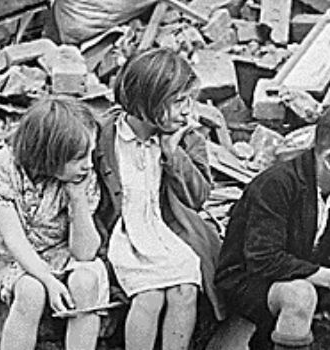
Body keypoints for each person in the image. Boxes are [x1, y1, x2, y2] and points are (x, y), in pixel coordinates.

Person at [215, 100, 330, 350]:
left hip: (306, 271)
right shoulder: (277, 185)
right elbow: (263, 258)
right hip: (251, 282)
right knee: (300, 295)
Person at [92, 48, 224, 350]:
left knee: (185, 289)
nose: (187, 111)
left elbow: (198, 198)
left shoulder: (187, 138)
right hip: (121, 232)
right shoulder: (103, 135)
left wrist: (172, 154)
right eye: (178, 101)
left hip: (165, 230)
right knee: (149, 295)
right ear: (149, 100)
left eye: (189, 100)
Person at [0, 97, 109, 350]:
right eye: (79, 158)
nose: (89, 164)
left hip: (63, 252)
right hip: (19, 257)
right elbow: (13, 239)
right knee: (31, 290)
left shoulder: (82, 176)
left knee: (86, 282)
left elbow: (85, 252)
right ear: (50, 154)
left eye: (90, 154)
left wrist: (78, 198)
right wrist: (49, 281)